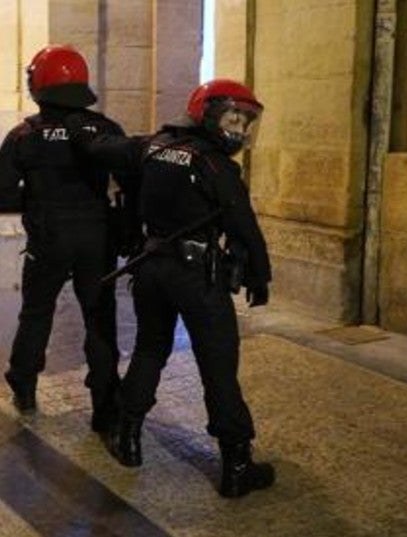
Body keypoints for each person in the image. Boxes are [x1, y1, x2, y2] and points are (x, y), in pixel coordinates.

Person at [60, 78, 275, 498]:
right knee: (218, 366)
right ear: (207, 115)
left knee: (150, 349)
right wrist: (260, 276)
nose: (240, 129)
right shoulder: (216, 166)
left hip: (152, 268)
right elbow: (244, 228)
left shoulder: (152, 147)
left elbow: (100, 146)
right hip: (197, 278)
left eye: (246, 121)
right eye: (233, 117)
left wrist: (75, 121)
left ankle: (128, 436)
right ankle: (236, 464)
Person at [0, 45, 125, 436]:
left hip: (48, 237)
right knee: (99, 319)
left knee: (36, 313)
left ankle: (25, 386)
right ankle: (104, 406)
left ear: (38, 84)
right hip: (97, 238)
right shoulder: (105, 128)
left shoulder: (24, 135)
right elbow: (128, 183)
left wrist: (36, 199)